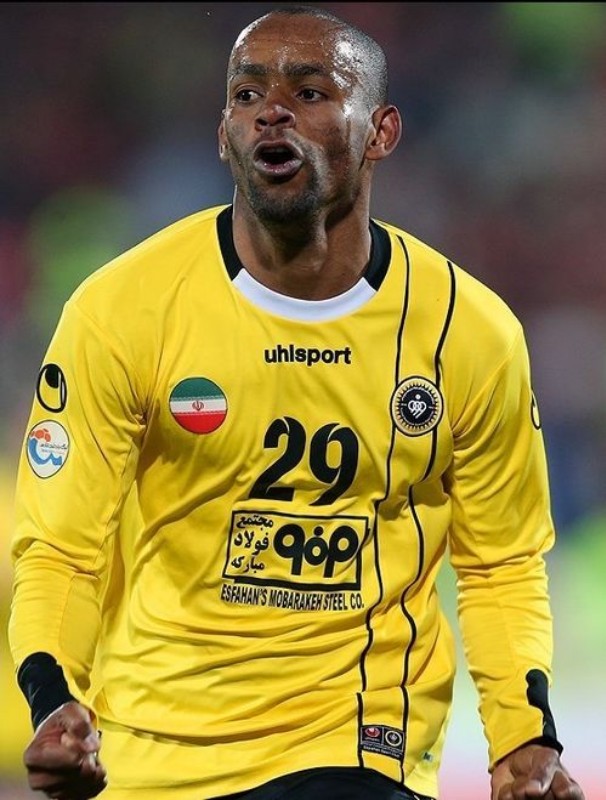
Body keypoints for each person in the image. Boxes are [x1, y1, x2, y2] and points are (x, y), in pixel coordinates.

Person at [8, 5, 585, 800]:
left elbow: (501, 563)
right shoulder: (123, 310)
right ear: (224, 134)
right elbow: (63, 550)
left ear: (381, 132)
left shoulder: (468, 330)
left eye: (309, 92)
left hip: (359, 739)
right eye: (247, 95)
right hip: (154, 748)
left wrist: (521, 734)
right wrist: (53, 698)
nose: (271, 111)